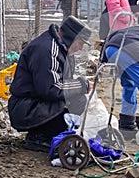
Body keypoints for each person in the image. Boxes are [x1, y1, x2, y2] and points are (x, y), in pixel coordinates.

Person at [8, 16, 93, 152]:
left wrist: (79, 86)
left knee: (77, 99)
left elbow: (62, 82)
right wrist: (81, 85)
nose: (80, 48)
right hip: (25, 107)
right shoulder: (46, 50)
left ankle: (51, 135)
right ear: (71, 37)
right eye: (80, 43)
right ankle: (39, 137)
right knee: (72, 99)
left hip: (34, 103)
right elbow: (51, 89)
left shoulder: (62, 49)